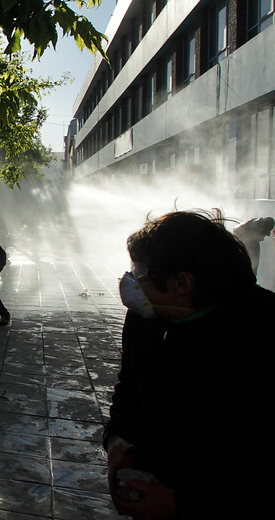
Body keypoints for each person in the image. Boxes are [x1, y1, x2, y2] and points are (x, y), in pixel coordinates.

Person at [105, 210, 273, 519]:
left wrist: (183, 502)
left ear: (182, 282)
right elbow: (128, 387)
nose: (130, 280)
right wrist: (116, 439)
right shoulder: (146, 319)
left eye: (139, 270)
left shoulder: (262, 336)